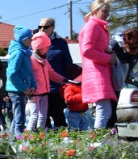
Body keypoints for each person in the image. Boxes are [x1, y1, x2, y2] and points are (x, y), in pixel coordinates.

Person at [79, 0, 116, 129]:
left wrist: (107, 48)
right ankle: (97, 142)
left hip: (98, 71)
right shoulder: (93, 26)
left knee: (104, 111)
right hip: (97, 71)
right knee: (104, 111)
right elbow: (87, 50)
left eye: (108, 11)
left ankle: (98, 141)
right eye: (104, 11)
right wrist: (108, 58)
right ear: (95, 11)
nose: (107, 14)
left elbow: (93, 46)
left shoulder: (96, 26)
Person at [28, 32, 70, 131]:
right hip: (34, 94)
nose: (48, 49)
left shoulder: (45, 61)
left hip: (45, 93)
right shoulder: (31, 61)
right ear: (40, 48)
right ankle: (28, 136)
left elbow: (51, 74)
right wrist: (29, 90)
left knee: (43, 116)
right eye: (46, 47)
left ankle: (41, 135)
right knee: (34, 116)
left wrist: (63, 80)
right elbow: (28, 76)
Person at [37, 18, 74, 128]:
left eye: (45, 27)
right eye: (40, 27)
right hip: (40, 87)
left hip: (56, 88)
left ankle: (62, 141)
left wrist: (66, 83)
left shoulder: (61, 43)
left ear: (53, 27)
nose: (42, 29)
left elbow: (68, 64)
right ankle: (44, 142)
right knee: (43, 118)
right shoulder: (35, 41)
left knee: (58, 116)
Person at [6, 26, 37, 134]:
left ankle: (12, 140)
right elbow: (11, 73)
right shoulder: (18, 53)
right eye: (29, 38)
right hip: (16, 90)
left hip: (21, 89)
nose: (31, 40)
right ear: (22, 39)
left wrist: (33, 85)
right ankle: (19, 142)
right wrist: (23, 88)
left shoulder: (25, 52)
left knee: (17, 116)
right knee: (20, 118)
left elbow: (30, 72)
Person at [107, 29, 138, 127]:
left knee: (115, 108)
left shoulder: (135, 51)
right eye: (133, 48)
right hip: (110, 81)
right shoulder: (114, 45)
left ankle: (113, 130)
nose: (135, 51)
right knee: (110, 110)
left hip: (121, 81)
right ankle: (107, 132)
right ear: (125, 43)